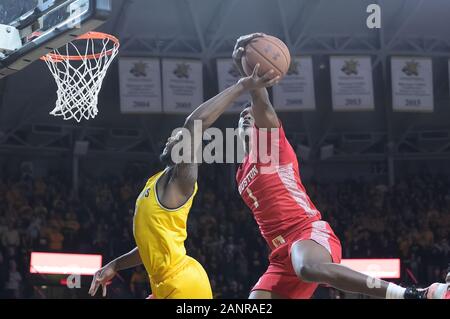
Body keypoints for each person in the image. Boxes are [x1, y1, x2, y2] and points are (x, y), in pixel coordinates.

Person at [232, 33, 449, 300]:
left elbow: (261, 102)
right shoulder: (241, 171)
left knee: (308, 267)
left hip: (305, 232)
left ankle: (414, 293)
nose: (245, 116)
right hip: (279, 254)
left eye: (249, 114)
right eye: (241, 116)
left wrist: (244, 66)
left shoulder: (272, 145)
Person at [88, 64, 280, 299]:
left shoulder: (182, 180)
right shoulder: (155, 181)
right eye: (173, 136)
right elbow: (151, 248)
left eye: (181, 136)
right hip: (162, 285)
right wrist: (115, 265)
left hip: (184, 283)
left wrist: (241, 86)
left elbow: (194, 123)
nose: (175, 135)